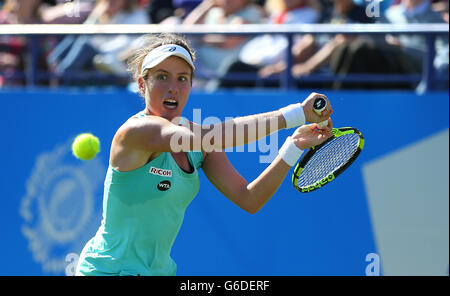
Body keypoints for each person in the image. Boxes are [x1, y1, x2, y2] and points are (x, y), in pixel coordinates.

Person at [75, 33, 334, 276]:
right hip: (107, 271)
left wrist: (294, 145)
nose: (173, 88)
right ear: (142, 84)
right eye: (162, 77)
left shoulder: (198, 143)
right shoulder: (136, 132)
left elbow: (249, 198)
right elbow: (212, 136)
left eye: (182, 78)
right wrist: (295, 114)